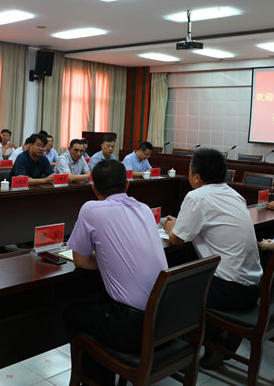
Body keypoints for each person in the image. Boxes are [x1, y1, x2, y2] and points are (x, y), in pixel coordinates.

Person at [64, 159, 168, 385]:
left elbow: (80, 261)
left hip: (133, 329)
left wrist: (108, 260)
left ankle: (97, 380)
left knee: (73, 312)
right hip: (165, 319)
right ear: (127, 184)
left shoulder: (91, 208)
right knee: (98, 303)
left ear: (94, 188)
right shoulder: (144, 209)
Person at [163, 148, 262, 368]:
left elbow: (176, 239)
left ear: (196, 177)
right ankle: (221, 339)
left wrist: (171, 227)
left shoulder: (197, 196)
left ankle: (183, 353)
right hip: (253, 287)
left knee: (171, 289)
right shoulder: (234, 194)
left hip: (228, 291)